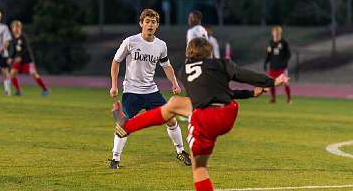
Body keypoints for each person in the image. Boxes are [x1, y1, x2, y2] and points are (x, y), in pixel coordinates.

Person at [113, 38, 289, 191]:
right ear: (209, 53)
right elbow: (241, 75)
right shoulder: (221, 64)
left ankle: (127, 126)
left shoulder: (184, 70)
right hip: (228, 113)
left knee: (199, 167)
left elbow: (204, 94)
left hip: (205, 119)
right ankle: (127, 127)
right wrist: (271, 82)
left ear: (188, 53)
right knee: (176, 104)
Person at [108, 8, 191, 169]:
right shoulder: (130, 41)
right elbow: (116, 62)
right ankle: (115, 158)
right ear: (141, 23)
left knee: (171, 119)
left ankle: (180, 151)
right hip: (132, 91)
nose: (150, 25)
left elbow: (166, 66)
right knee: (123, 124)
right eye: (147, 21)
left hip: (151, 91)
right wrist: (113, 85)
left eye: (153, 22)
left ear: (157, 25)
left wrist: (174, 83)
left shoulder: (161, 45)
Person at [8, 20, 49, 96]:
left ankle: (45, 90)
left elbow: (26, 49)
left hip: (27, 59)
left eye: (18, 26)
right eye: (14, 27)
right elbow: (14, 50)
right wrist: (11, 57)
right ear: (12, 28)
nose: (16, 28)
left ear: (20, 28)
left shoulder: (23, 37)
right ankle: (18, 91)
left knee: (34, 74)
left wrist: (20, 56)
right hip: (18, 60)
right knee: (12, 74)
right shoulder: (13, 38)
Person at [264, 25, 292, 104]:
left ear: (280, 33)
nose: (276, 33)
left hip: (282, 68)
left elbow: (288, 54)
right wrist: (265, 63)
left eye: (277, 32)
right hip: (273, 67)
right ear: (272, 33)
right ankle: (273, 98)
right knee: (271, 83)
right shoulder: (270, 43)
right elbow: (268, 54)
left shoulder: (284, 42)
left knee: (285, 83)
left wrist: (284, 62)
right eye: (274, 32)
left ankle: (289, 99)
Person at [0, 10, 11, 95]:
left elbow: (7, 41)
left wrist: (2, 49)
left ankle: (7, 91)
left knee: (5, 72)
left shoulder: (4, 28)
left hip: (1, 54)